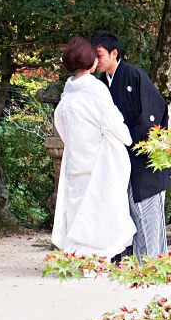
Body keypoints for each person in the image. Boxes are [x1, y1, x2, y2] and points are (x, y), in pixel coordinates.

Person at [52, 37, 136, 258]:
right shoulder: (94, 88)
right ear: (90, 62)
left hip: (76, 158)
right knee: (100, 210)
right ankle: (95, 260)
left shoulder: (68, 92)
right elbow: (113, 122)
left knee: (79, 209)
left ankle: (78, 257)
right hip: (99, 159)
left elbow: (60, 125)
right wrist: (127, 139)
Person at [92, 32, 171, 258]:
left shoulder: (135, 76)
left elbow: (154, 115)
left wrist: (130, 139)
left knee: (150, 214)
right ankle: (138, 262)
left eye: (99, 55)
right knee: (129, 213)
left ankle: (153, 264)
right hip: (119, 156)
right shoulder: (100, 85)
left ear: (114, 53)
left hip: (145, 157)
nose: (96, 61)